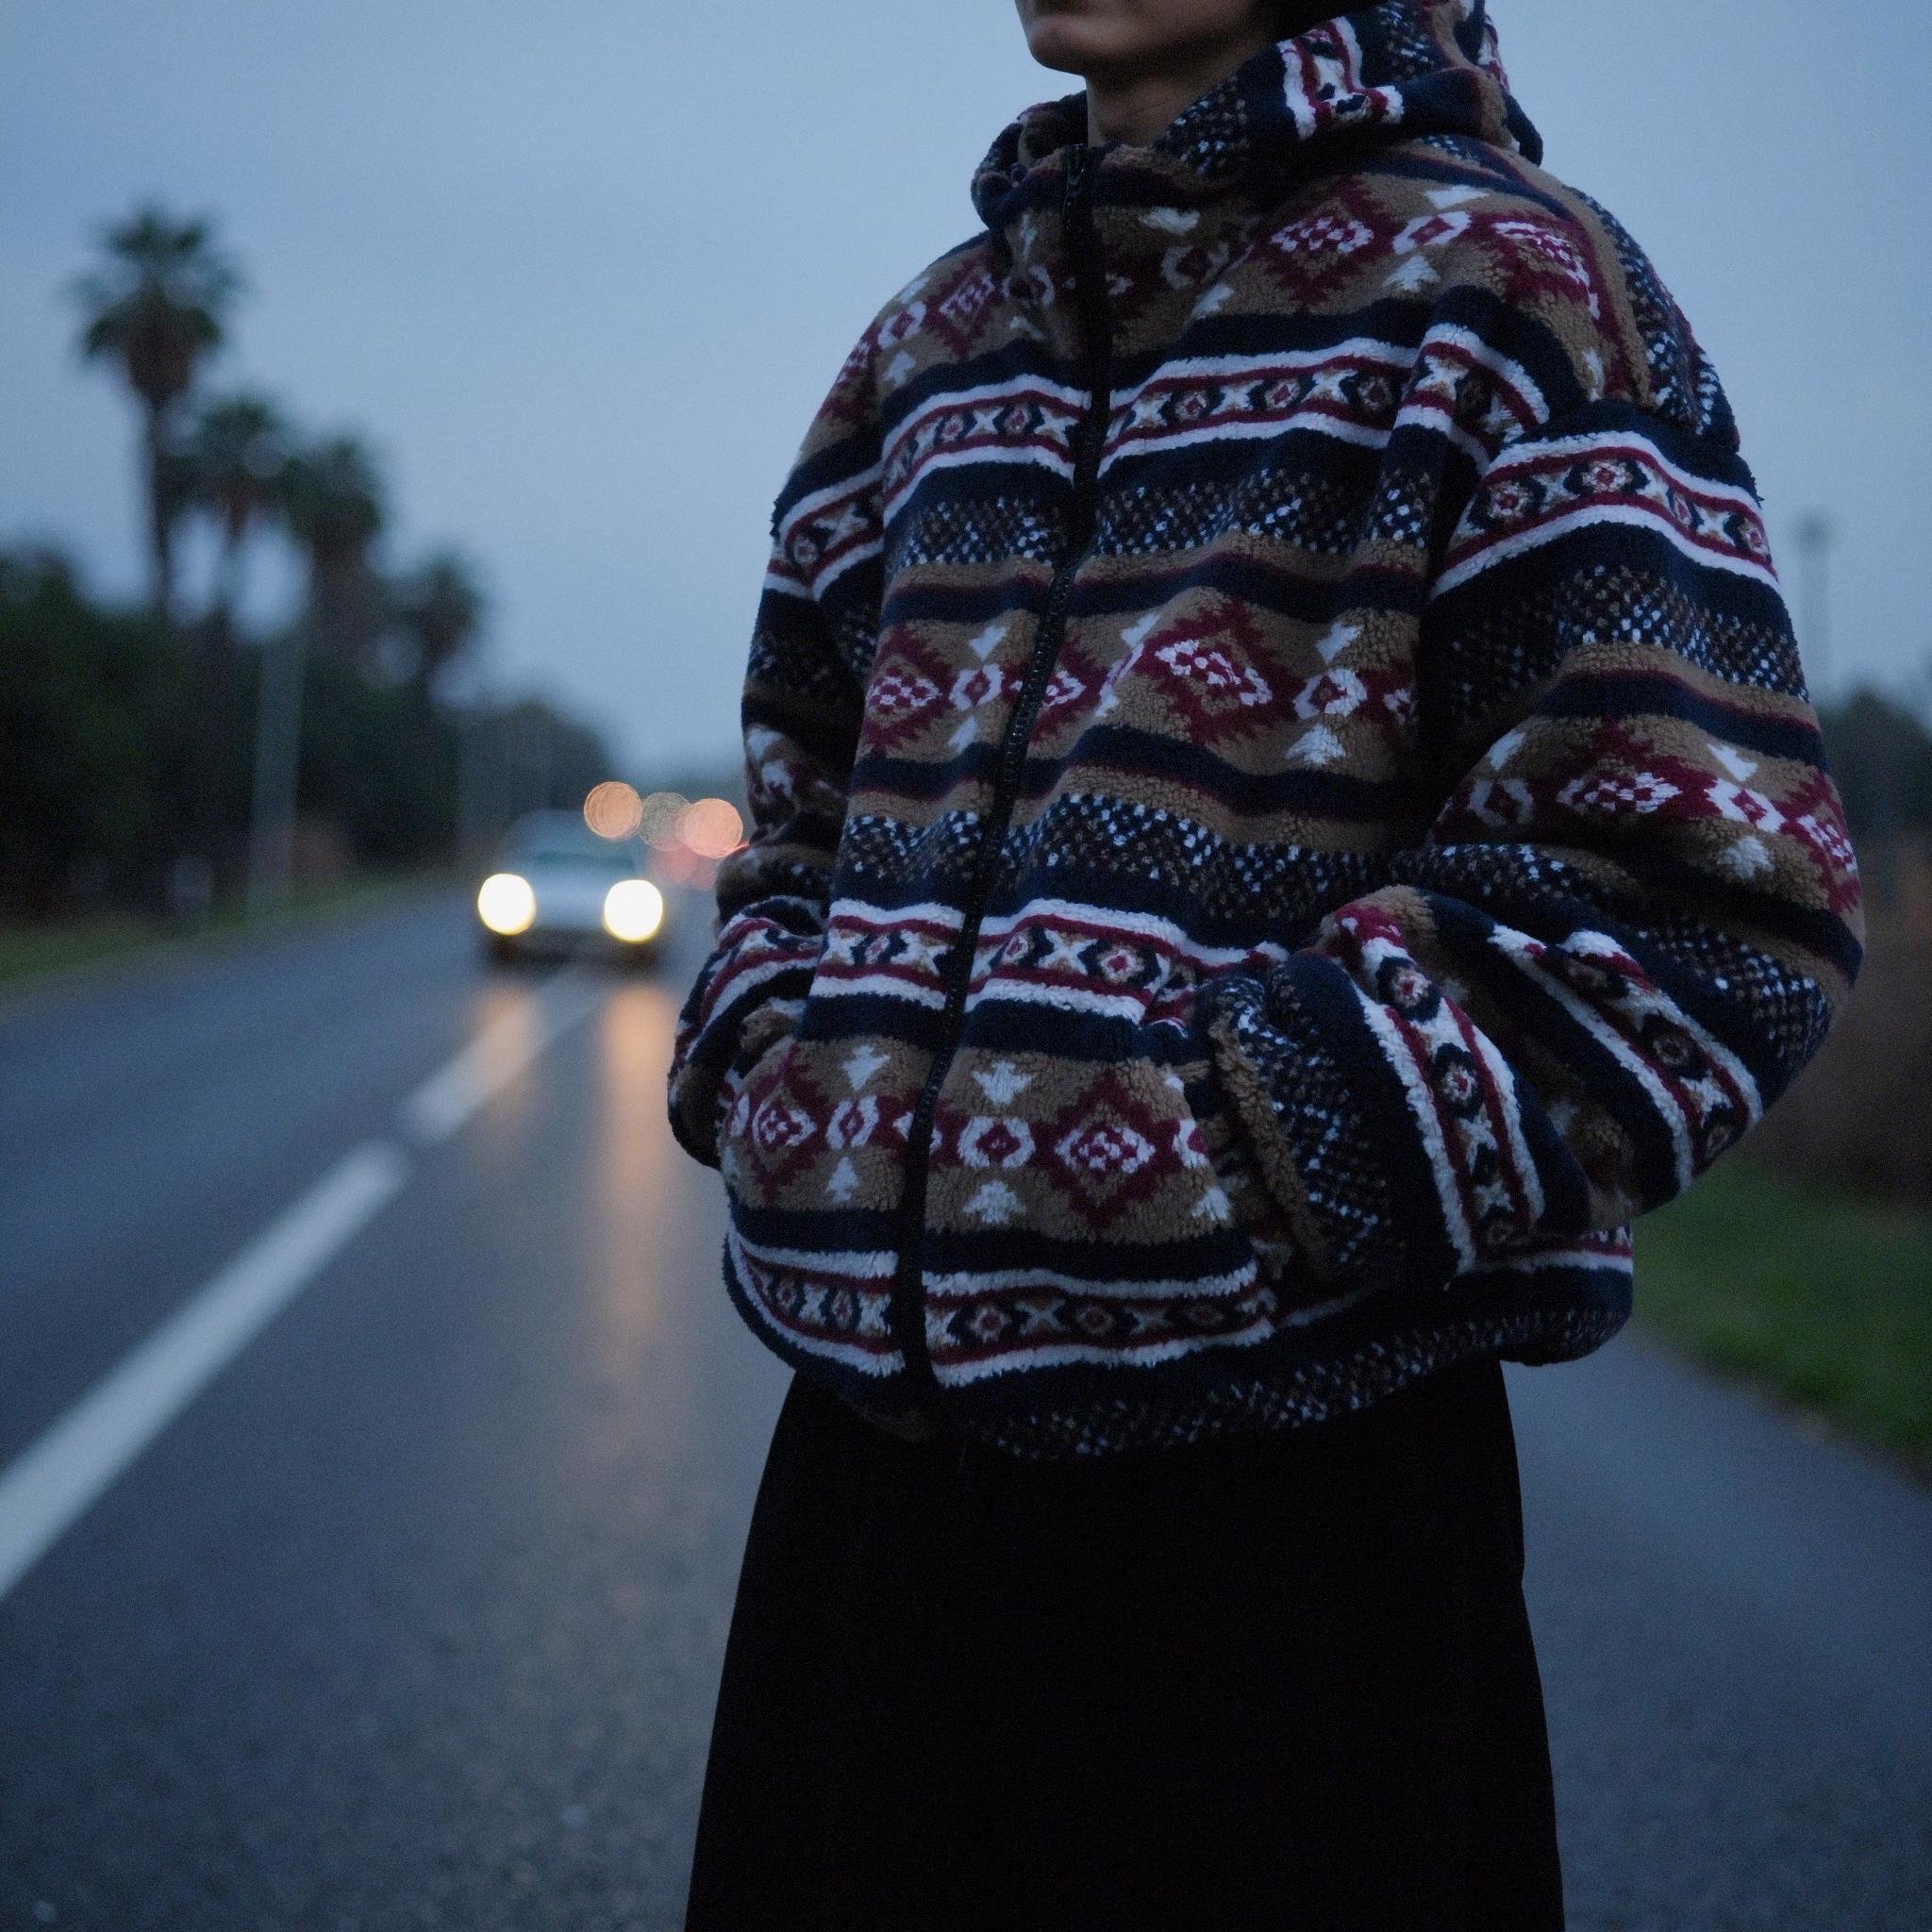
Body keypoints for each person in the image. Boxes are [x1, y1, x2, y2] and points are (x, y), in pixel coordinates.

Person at [667, 2, 1863, 1924]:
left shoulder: (1509, 293)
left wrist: (1217, 1152)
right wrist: (777, 1071)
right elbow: (797, 826)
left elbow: (1704, 899)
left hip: (1292, 1531)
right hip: (858, 1507)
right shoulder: (923, 354)